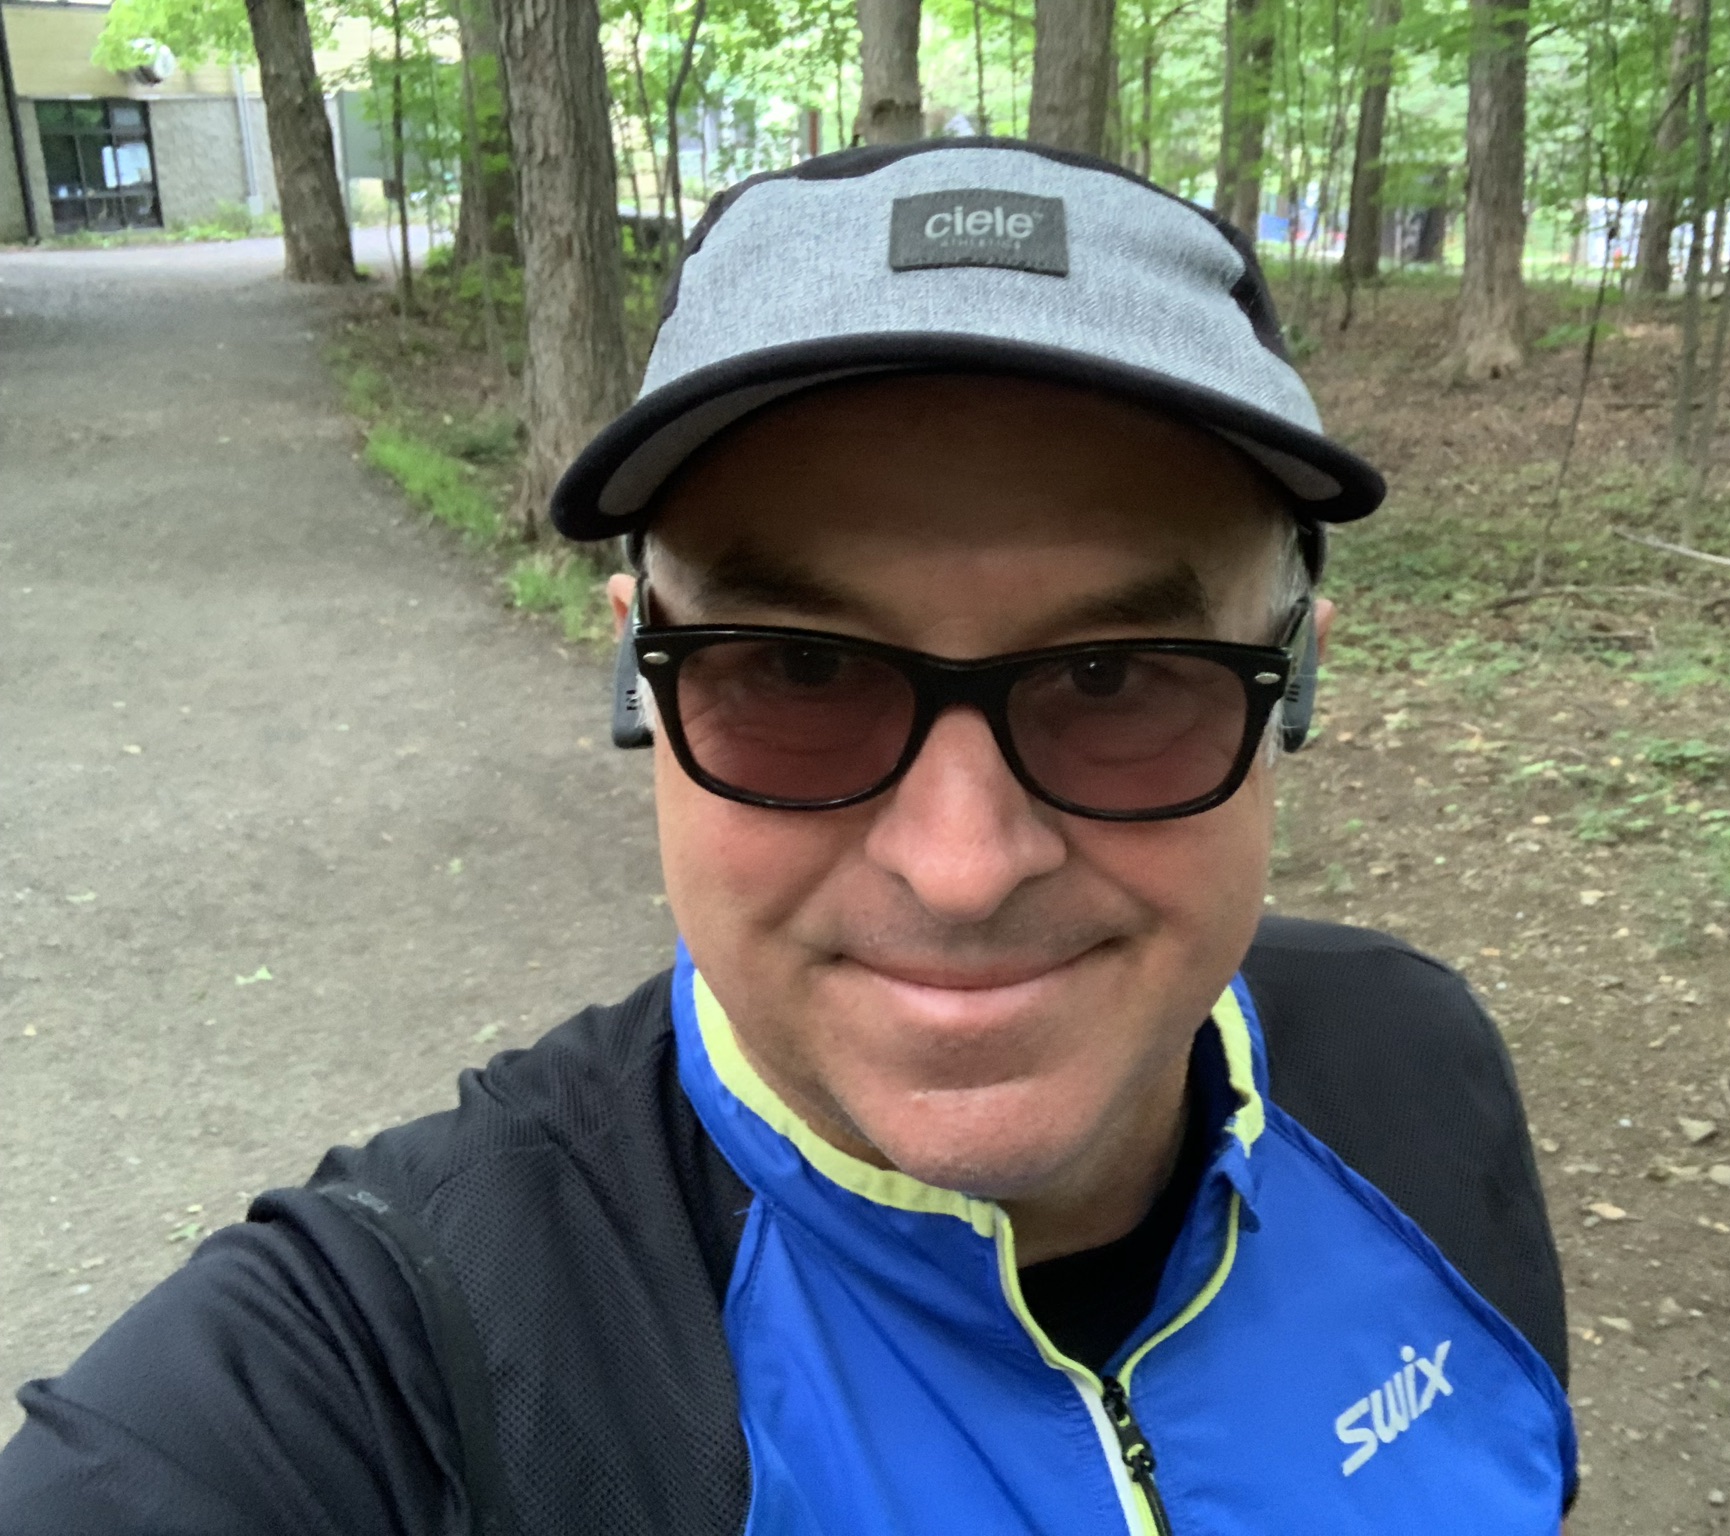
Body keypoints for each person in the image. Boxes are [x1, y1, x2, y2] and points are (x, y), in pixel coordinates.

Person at [0, 140, 1575, 1533]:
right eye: (800, 673)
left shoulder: (1409, 1068)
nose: (962, 867)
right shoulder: (399, 1358)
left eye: (1112, 679)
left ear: (1294, 686)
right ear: (640, 676)